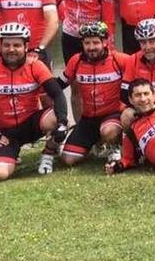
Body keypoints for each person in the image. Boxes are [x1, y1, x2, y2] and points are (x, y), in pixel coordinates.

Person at [0, 23, 69, 180]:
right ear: (0, 46)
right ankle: (11, 155)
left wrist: (62, 123)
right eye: (6, 45)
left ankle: (49, 152)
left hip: (31, 124)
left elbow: (58, 94)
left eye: (17, 45)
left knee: (56, 118)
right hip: (3, 132)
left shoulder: (35, 65)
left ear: (26, 46)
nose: (11, 49)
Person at [53, 21, 128, 167]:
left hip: (112, 115)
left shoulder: (119, 60)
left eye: (95, 42)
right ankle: (94, 144)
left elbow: (141, 68)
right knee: (68, 159)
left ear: (105, 42)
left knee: (109, 131)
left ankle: (114, 146)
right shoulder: (76, 60)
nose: (91, 47)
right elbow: (58, 85)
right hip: (88, 119)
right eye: (87, 43)